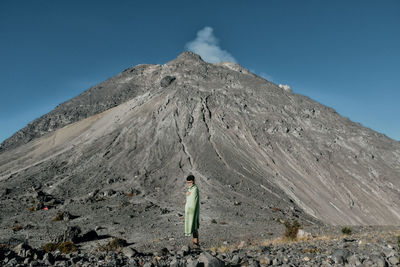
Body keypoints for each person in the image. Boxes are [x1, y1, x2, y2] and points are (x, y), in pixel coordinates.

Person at [184, 174, 200, 247]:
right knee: (193, 227)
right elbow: (188, 198)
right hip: (189, 211)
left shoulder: (195, 189)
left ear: (193, 181)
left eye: (190, 182)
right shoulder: (189, 189)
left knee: (194, 226)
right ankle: (195, 243)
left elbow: (193, 201)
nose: (189, 184)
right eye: (188, 183)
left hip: (193, 211)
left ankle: (196, 243)